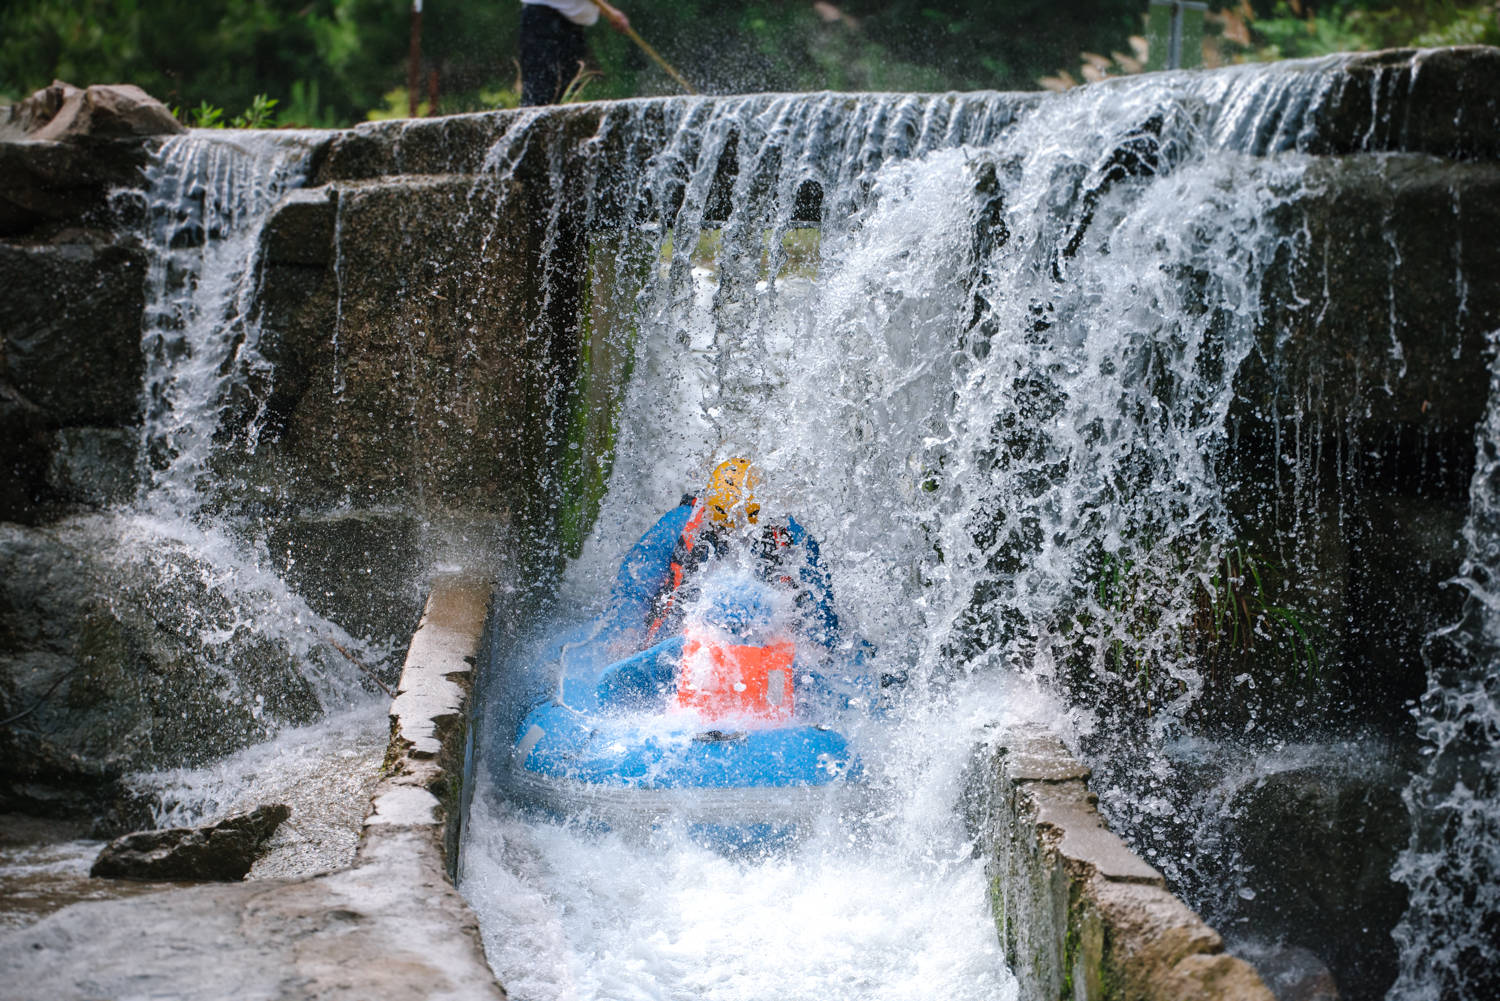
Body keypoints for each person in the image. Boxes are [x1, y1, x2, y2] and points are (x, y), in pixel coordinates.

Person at [619, 458, 843, 652]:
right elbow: (634, 585)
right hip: (682, 633)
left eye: (738, 530)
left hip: (764, 638)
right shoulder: (678, 525)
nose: (730, 537)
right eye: (721, 529)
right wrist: (628, 630)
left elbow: (820, 596)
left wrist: (818, 644)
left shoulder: (789, 535)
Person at [519, 0, 630, 107]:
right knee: (541, 95)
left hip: (570, 26)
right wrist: (610, 11)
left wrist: (608, 12)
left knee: (566, 93)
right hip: (545, 19)